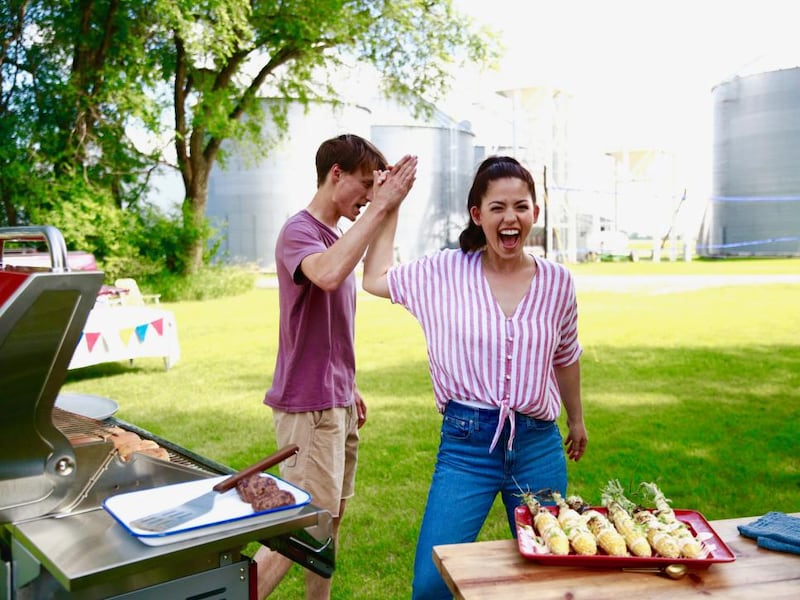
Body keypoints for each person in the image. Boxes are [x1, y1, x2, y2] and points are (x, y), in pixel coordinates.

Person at [362, 155, 587, 600]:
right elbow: (375, 278)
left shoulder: (558, 282)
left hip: (537, 446)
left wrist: (576, 420)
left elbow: (566, 355)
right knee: (430, 586)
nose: (511, 217)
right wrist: (391, 206)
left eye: (521, 207)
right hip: (467, 448)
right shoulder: (444, 272)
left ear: (535, 215)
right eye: (498, 207)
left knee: (549, 580)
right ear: (477, 215)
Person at [255, 134, 417, 599]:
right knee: (304, 526)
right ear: (335, 174)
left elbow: (334, 321)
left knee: (329, 521)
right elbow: (326, 276)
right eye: (364, 185)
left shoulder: (337, 237)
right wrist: (379, 207)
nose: (368, 197)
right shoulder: (299, 231)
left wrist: (392, 203)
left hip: (337, 400)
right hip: (307, 406)